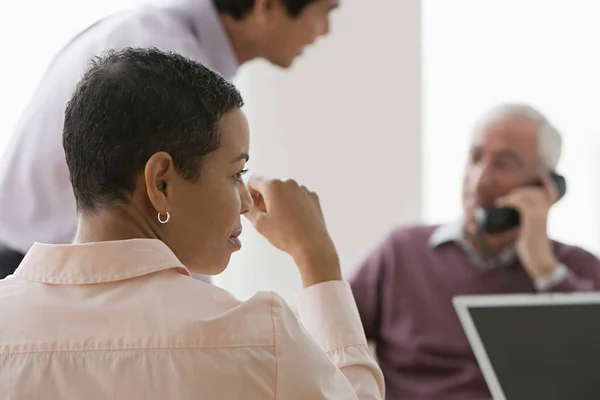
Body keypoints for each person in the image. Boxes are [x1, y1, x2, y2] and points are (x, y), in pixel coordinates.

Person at [0, 47, 383, 399]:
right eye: (236, 173)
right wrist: (316, 257)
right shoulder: (258, 338)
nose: (247, 199)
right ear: (161, 182)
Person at [0, 0, 339, 278]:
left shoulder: (151, 35)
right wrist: (313, 253)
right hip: (39, 278)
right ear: (267, 7)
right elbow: (182, 235)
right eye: (324, 12)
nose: (325, 31)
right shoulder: (168, 67)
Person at [350, 103, 600, 400]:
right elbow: (326, 340)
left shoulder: (577, 268)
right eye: (476, 157)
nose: (481, 179)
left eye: (504, 163)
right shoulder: (401, 252)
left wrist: (545, 269)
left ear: (545, 186)